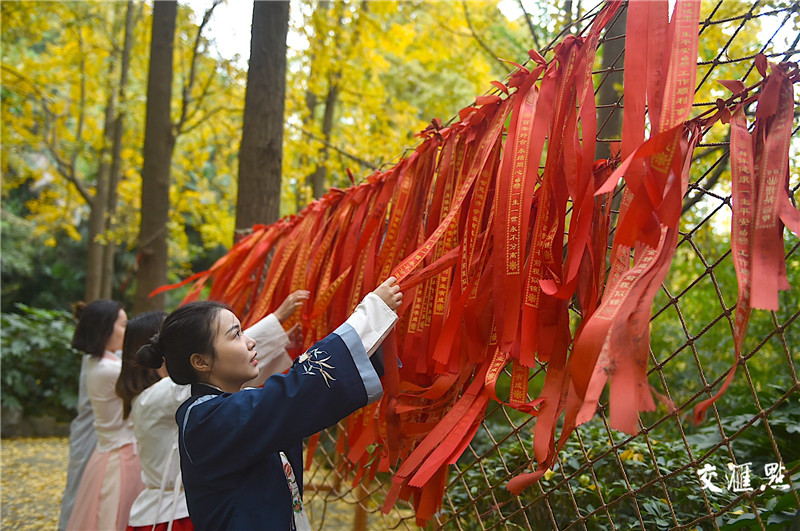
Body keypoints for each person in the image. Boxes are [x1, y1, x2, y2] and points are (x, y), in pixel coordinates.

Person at [139, 278, 402, 530]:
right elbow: (293, 394)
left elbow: (293, 399)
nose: (250, 341)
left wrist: (381, 342)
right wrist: (370, 316)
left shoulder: (224, 408)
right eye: (236, 335)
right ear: (201, 361)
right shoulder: (207, 419)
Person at [118, 292, 308, 531]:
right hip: (174, 515)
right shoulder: (153, 398)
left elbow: (226, 373)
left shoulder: (171, 395)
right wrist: (276, 320)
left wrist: (279, 344)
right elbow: (219, 366)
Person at [66, 300, 145, 531]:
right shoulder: (109, 370)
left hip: (111, 453)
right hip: (120, 457)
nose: (127, 329)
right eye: (123, 324)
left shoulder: (99, 362)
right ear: (106, 329)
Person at [58, 300, 119, 530]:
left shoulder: (101, 357)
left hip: (92, 429)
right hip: (92, 431)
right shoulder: (102, 362)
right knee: (80, 492)